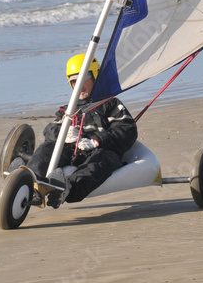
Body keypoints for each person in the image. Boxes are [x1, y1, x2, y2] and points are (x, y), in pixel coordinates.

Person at [17, 53, 137, 208]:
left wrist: (96, 141)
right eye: (74, 81)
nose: (79, 85)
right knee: (48, 147)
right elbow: (50, 129)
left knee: (102, 159)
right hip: (70, 151)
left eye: (83, 79)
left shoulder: (110, 103)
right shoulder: (68, 110)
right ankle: (29, 179)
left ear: (95, 76)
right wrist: (62, 134)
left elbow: (127, 129)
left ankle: (68, 189)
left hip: (100, 151)